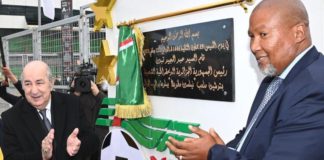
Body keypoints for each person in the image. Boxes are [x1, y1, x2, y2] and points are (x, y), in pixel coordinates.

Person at [166, 0, 324, 159]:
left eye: (263, 34)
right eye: (251, 36)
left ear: (298, 33)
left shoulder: (315, 88)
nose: (254, 47)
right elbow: (254, 133)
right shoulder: (274, 79)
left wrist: (213, 154)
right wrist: (226, 150)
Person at [1, 60, 100, 160]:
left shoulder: (72, 103)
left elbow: (93, 140)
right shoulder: (10, 118)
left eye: (39, 83)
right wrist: (42, 156)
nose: (34, 91)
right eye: (28, 84)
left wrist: (77, 147)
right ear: (22, 86)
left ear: (51, 83)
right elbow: (11, 157)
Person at [70, 79, 109, 160]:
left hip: (100, 140)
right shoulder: (74, 96)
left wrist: (98, 93)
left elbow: (109, 108)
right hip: (81, 140)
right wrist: (76, 91)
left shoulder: (101, 93)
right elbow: (68, 110)